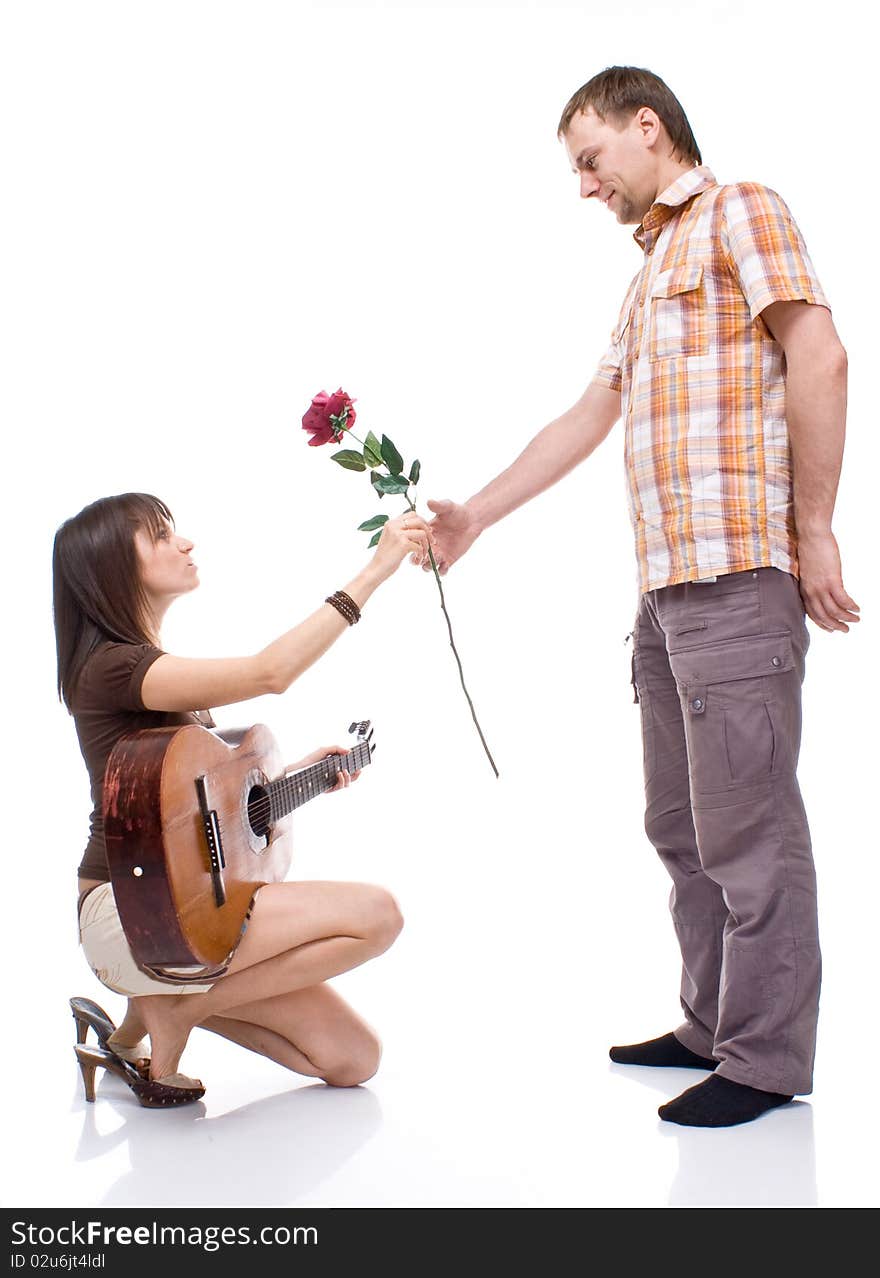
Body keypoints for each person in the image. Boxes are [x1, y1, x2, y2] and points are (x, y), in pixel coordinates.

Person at [421, 66, 858, 1128]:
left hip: (735, 578)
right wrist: (475, 515)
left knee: (749, 834)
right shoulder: (652, 265)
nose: (582, 185)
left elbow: (820, 353)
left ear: (647, 127)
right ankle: (710, 1026)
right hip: (665, 596)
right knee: (680, 826)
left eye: (588, 158)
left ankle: (764, 1060)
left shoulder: (739, 212)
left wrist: (812, 529)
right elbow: (587, 413)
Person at [54, 491, 433, 1107]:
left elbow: (193, 821)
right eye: (160, 536)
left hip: (190, 908)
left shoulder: (150, 668)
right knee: (378, 914)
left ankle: (149, 1021)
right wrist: (377, 568)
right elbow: (270, 673)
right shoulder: (114, 669)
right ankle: (171, 1013)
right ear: (111, 569)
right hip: (131, 915)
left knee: (352, 1059)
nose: (185, 543)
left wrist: (294, 782)